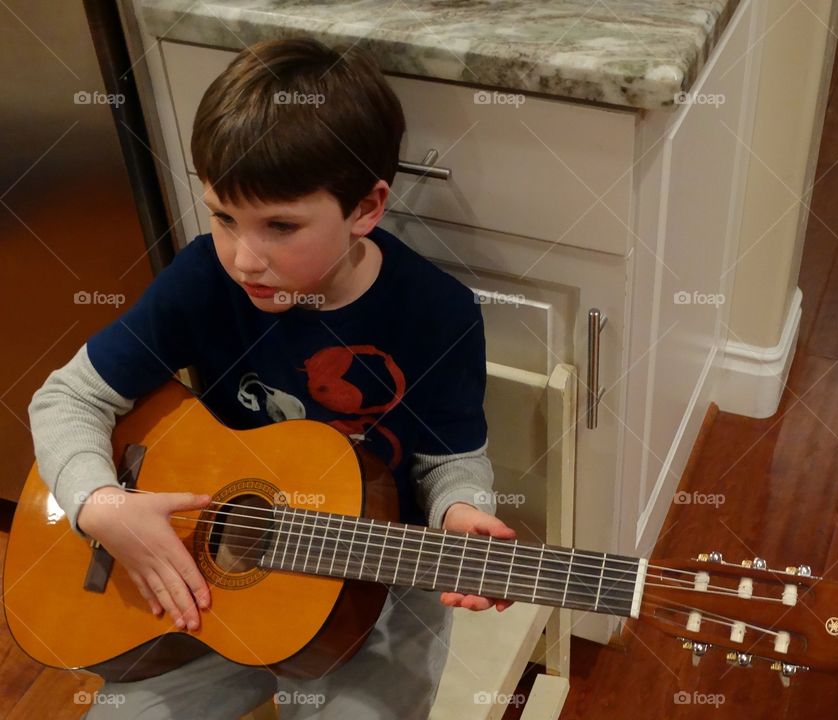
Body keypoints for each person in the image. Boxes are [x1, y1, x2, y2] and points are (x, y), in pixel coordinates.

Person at [28, 36, 515, 719]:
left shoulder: (438, 313)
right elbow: (66, 397)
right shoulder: (204, 277)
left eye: (279, 226)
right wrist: (99, 504)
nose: (243, 258)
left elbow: (451, 459)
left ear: (366, 210)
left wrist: (460, 510)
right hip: (202, 568)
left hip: (372, 577)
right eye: (223, 216)